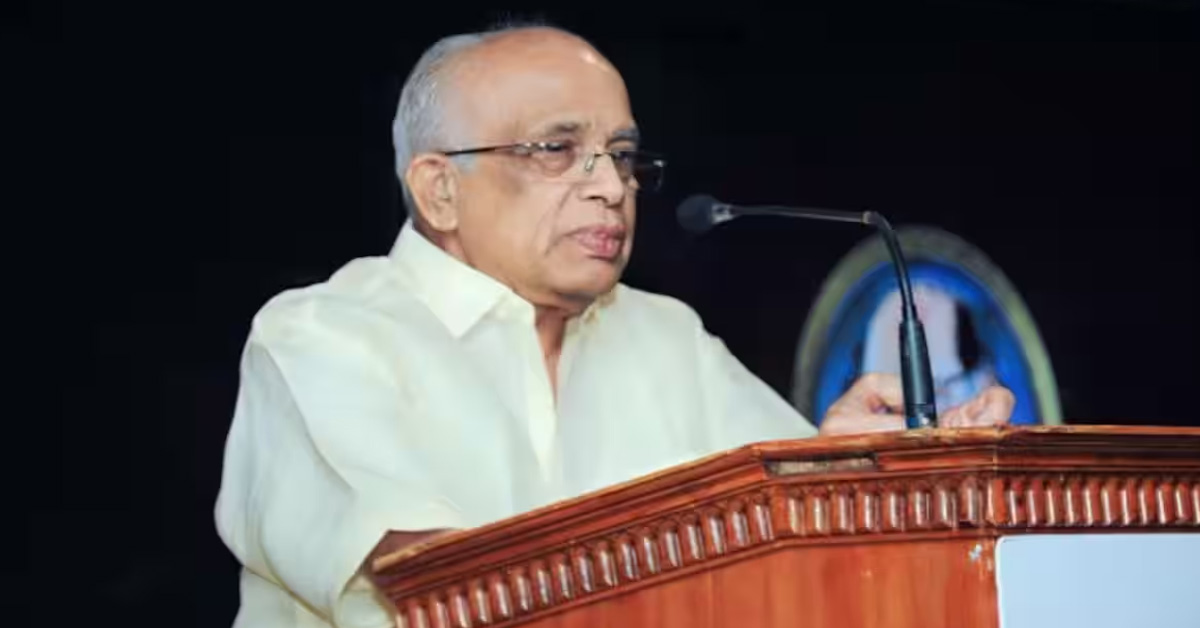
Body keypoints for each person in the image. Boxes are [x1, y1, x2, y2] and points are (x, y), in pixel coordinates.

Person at [214, 23, 1015, 628]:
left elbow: (792, 571)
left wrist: (837, 476)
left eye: (623, 157)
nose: (611, 187)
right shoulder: (327, 336)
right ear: (439, 191)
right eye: (556, 150)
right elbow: (442, 591)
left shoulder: (667, 339)